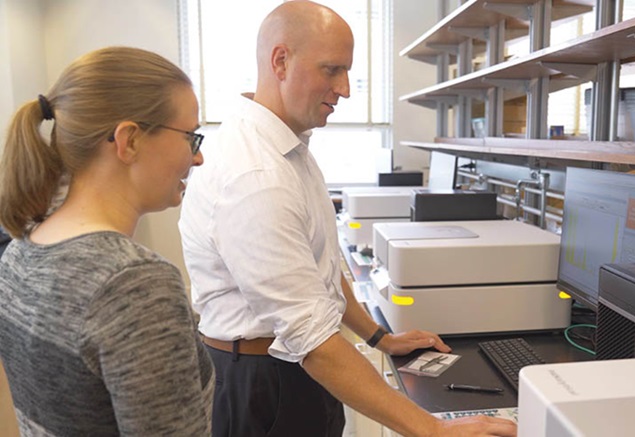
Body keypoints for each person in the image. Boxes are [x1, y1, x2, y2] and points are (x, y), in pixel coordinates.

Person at [179, 2, 517, 437]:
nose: (345, 89)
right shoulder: (256, 175)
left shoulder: (290, 149)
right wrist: (434, 430)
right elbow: (311, 340)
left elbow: (319, 268)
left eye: (347, 71)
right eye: (331, 69)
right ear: (280, 61)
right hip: (269, 380)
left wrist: (380, 337)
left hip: (294, 368)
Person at [0, 46, 214, 436]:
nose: (197, 159)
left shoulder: (19, 251)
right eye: (190, 137)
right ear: (128, 140)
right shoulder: (133, 282)